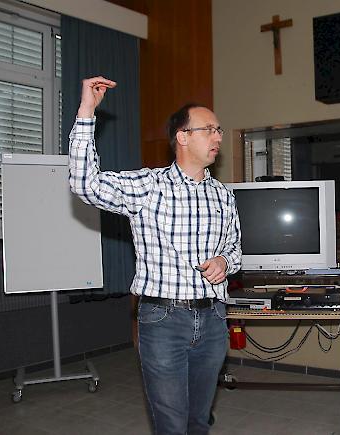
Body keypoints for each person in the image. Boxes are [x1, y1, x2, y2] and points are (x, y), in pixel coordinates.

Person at [68, 76, 242, 435]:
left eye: (219, 130)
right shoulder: (149, 186)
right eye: (209, 129)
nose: (218, 137)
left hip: (213, 321)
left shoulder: (224, 196)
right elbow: (85, 184)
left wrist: (225, 262)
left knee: (199, 420)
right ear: (182, 136)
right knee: (171, 424)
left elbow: (235, 249)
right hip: (163, 320)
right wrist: (87, 111)